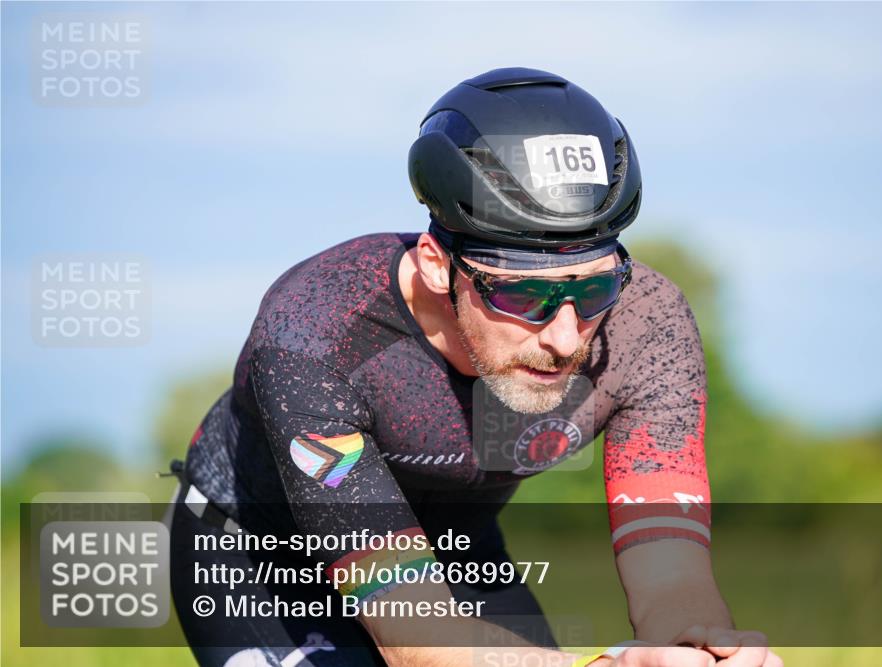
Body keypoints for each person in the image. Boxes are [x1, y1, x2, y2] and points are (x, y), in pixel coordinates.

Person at [167, 67, 783, 667]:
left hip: (460, 550)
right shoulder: (316, 333)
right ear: (438, 265)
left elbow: (671, 577)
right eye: (521, 295)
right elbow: (418, 639)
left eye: (594, 291)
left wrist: (698, 649)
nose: (565, 339)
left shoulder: (648, 328)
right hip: (263, 560)